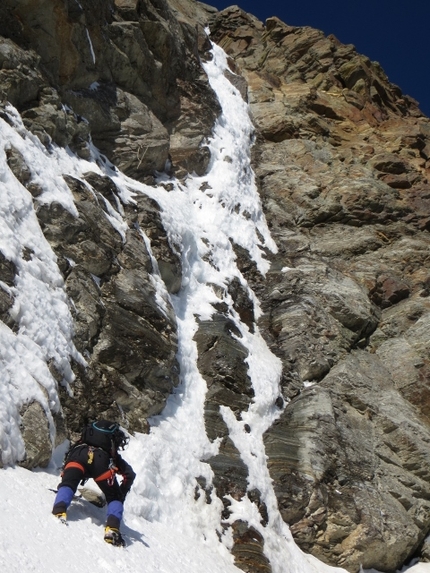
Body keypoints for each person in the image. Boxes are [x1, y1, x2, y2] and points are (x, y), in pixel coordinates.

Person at [52, 420, 136, 547]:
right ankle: (112, 530)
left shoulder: (79, 445)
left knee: (69, 483)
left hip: (77, 457)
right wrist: (120, 494)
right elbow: (130, 474)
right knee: (114, 497)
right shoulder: (110, 454)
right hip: (101, 463)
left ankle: (59, 508)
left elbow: (67, 467)